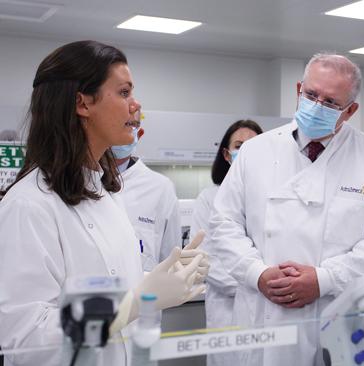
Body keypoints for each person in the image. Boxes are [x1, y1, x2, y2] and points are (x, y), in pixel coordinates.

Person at [0, 40, 206, 366]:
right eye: (124, 93)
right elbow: (26, 341)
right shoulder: (29, 206)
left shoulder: (107, 195)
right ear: (82, 103)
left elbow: (113, 285)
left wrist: (163, 278)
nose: (135, 106)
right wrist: (133, 303)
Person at [208, 53, 364, 365]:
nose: (317, 106)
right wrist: (258, 274)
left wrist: (324, 280)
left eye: (330, 102)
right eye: (311, 95)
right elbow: (224, 225)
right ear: (298, 89)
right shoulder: (255, 151)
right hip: (262, 314)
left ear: (351, 110)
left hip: (337, 319)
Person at [192, 119, 262, 366]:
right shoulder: (209, 198)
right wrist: (256, 282)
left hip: (265, 310)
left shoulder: (273, 199)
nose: (245, 151)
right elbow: (205, 259)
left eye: (253, 145)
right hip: (226, 307)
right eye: (238, 145)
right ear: (226, 153)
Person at [113, 110, 182, 272]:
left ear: (139, 134)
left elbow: (171, 260)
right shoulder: (80, 180)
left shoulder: (161, 188)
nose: (122, 131)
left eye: (130, 125)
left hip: (145, 295)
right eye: (117, 124)